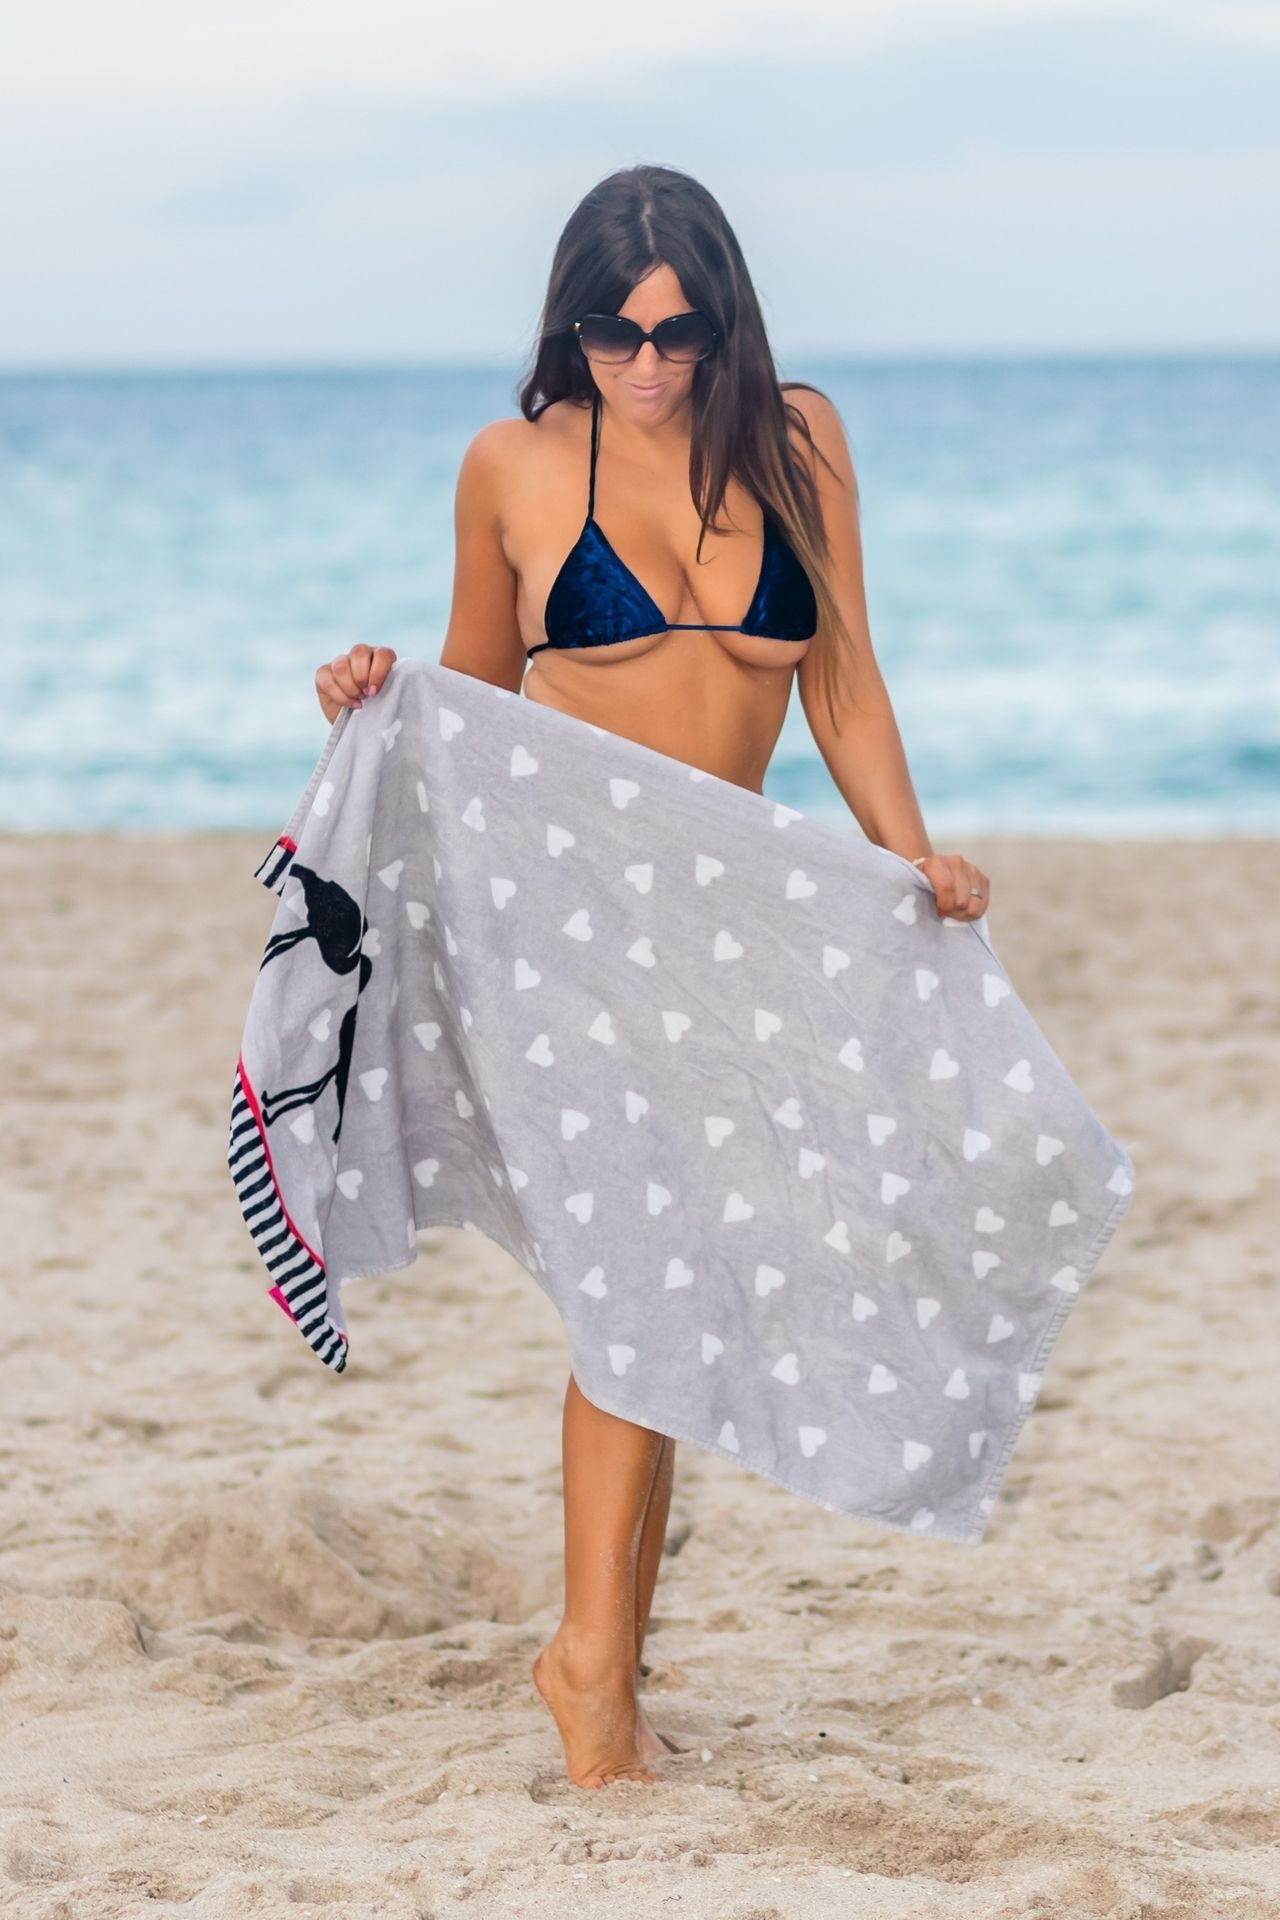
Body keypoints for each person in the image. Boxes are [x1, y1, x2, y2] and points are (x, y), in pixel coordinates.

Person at [313, 163, 990, 1790]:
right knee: (646, 1285)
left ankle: (602, 1664)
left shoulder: (799, 440)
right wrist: (373, 694)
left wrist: (911, 855)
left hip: (732, 924)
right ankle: (590, 1676)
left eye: (680, 335)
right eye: (613, 335)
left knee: (676, 1285)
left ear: (725, 324)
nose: (647, 365)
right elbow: (475, 703)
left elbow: (842, 679)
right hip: (569, 924)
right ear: (570, 327)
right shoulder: (514, 466)